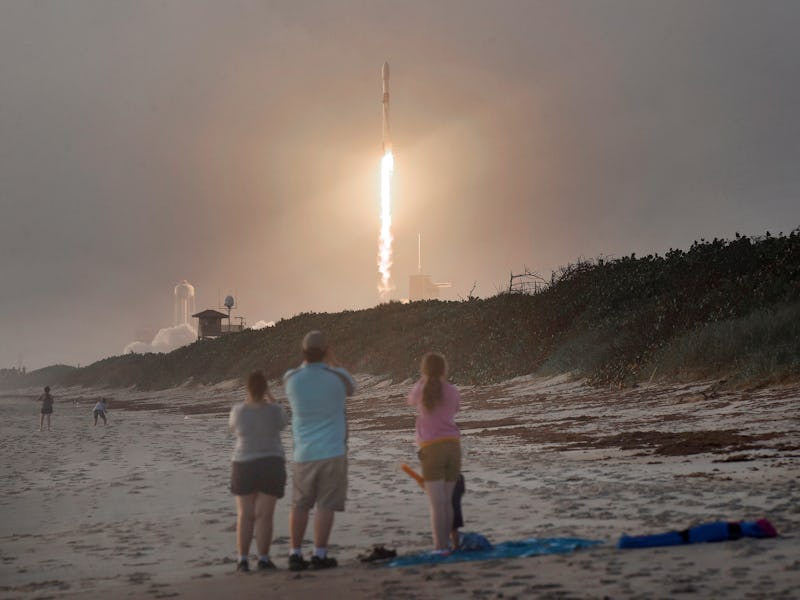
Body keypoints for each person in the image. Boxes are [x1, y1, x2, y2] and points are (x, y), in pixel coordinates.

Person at [283, 330, 355, 571]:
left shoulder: (291, 378)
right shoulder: (338, 377)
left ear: (303, 352)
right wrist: (331, 361)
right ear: (327, 351)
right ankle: (319, 554)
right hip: (333, 450)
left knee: (300, 504)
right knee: (325, 504)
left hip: (304, 452)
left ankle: (295, 553)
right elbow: (351, 388)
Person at [229, 370, 288, 573]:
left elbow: (234, 428)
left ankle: (243, 560)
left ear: (247, 388)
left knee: (245, 514)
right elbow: (284, 421)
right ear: (265, 389)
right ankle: (263, 559)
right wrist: (271, 398)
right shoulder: (274, 410)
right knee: (264, 515)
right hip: (271, 463)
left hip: (244, 463)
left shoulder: (239, 411)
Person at [407, 352, 462, 553]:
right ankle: (447, 544)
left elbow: (410, 400)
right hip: (453, 446)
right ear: (444, 369)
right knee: (447, 502)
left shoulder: (421, 389)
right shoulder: (453, 390)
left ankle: (440, 546)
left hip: (431, 448)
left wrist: (423, 379)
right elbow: (455, 410)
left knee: (436, 503)